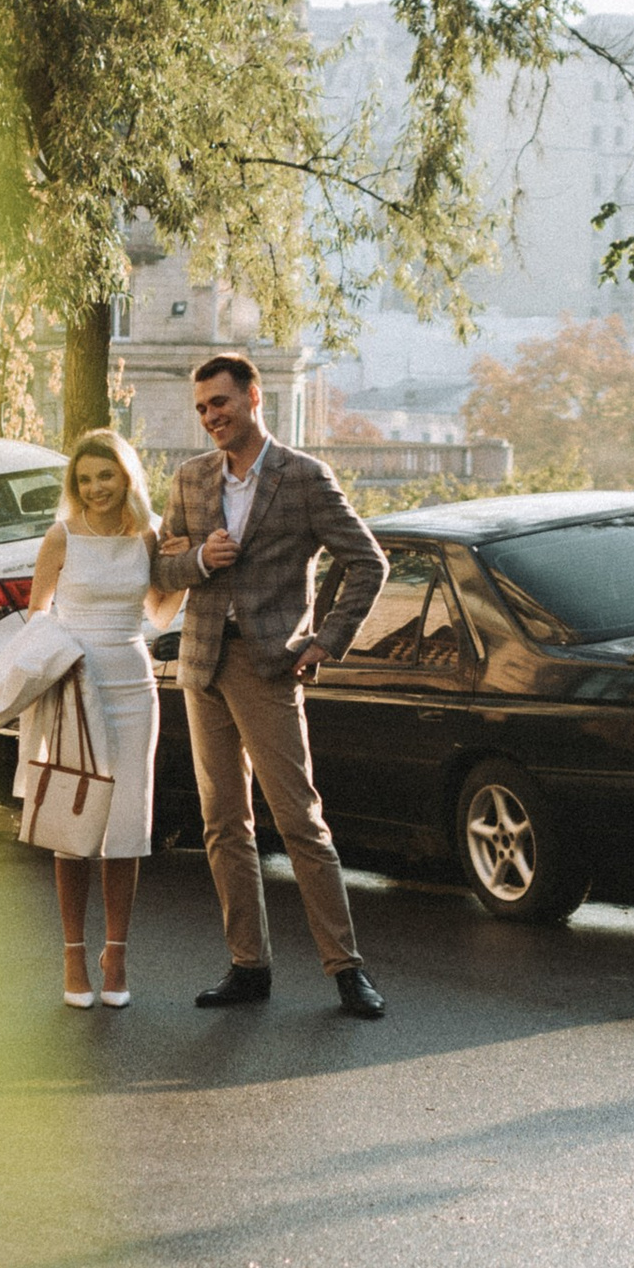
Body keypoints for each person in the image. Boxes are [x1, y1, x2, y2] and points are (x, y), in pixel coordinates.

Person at [155, 352, 389, 1018]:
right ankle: (247, 966)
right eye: (202, 408)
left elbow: (368, 563)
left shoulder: (305, 477)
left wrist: (325, 641)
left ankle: (346, 969)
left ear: (253, 397)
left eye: (220, 403)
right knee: (223, 824)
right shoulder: (191, 478)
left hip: (269, 669)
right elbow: (163, 569)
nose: (211, 417)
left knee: (299, 822)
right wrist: (201, 559)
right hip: (202, 664)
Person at [20, 427, 162, 1010]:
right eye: (84, 479)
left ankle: (117, 954)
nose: (96, 487)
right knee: (73, 820)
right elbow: (37, 615)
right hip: (76, 688)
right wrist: (65, 660)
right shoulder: (61, 536)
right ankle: (74, 954)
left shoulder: (148, 536)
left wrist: (191, 567)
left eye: (106, 475)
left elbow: (160, 612)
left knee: (126, 825)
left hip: (133, 686)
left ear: (126, 476)